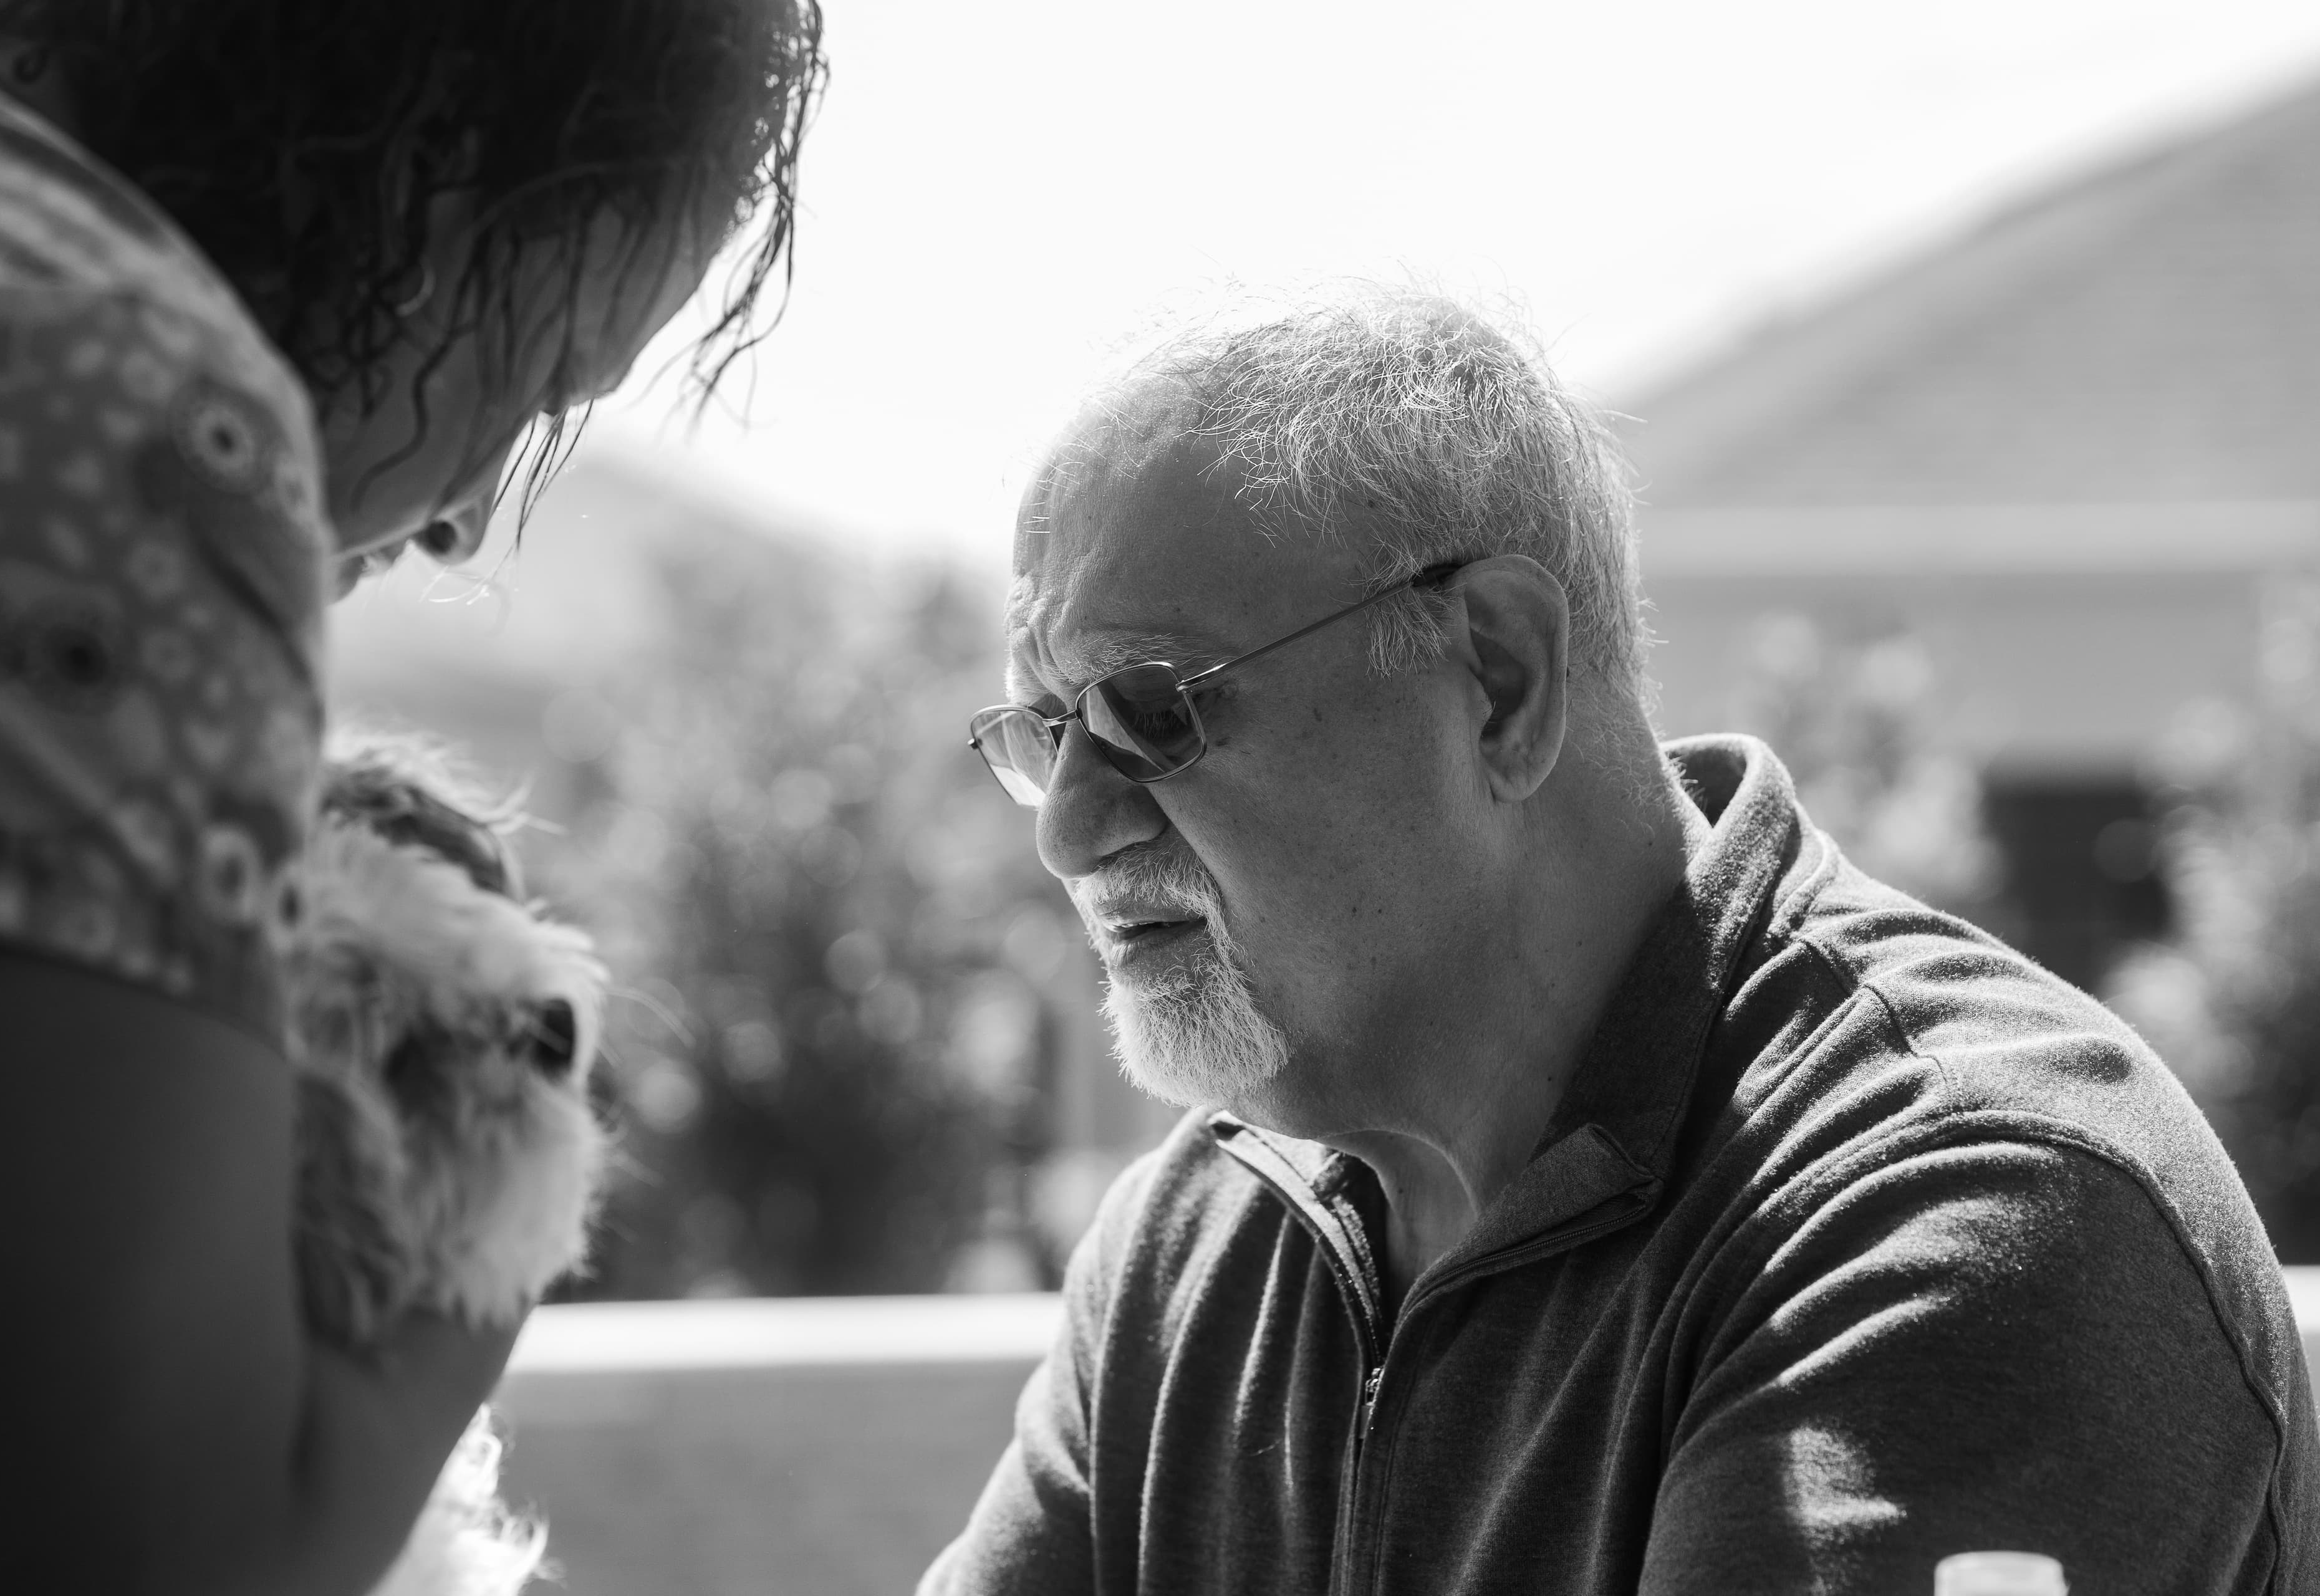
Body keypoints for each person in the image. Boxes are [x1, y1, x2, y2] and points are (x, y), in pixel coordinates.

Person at [928, 285, 2320, 1593]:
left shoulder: (1956, 1206)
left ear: (1499, 677)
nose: (1070, 833)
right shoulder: (1193, 1245)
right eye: (1044, 734)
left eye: (1149, 710)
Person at [0, 2, 821, 1590]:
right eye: (541, 383)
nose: (468, 517)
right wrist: (518, 1152)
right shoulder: (96, 385)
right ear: (420, 168)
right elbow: (152, 1557)